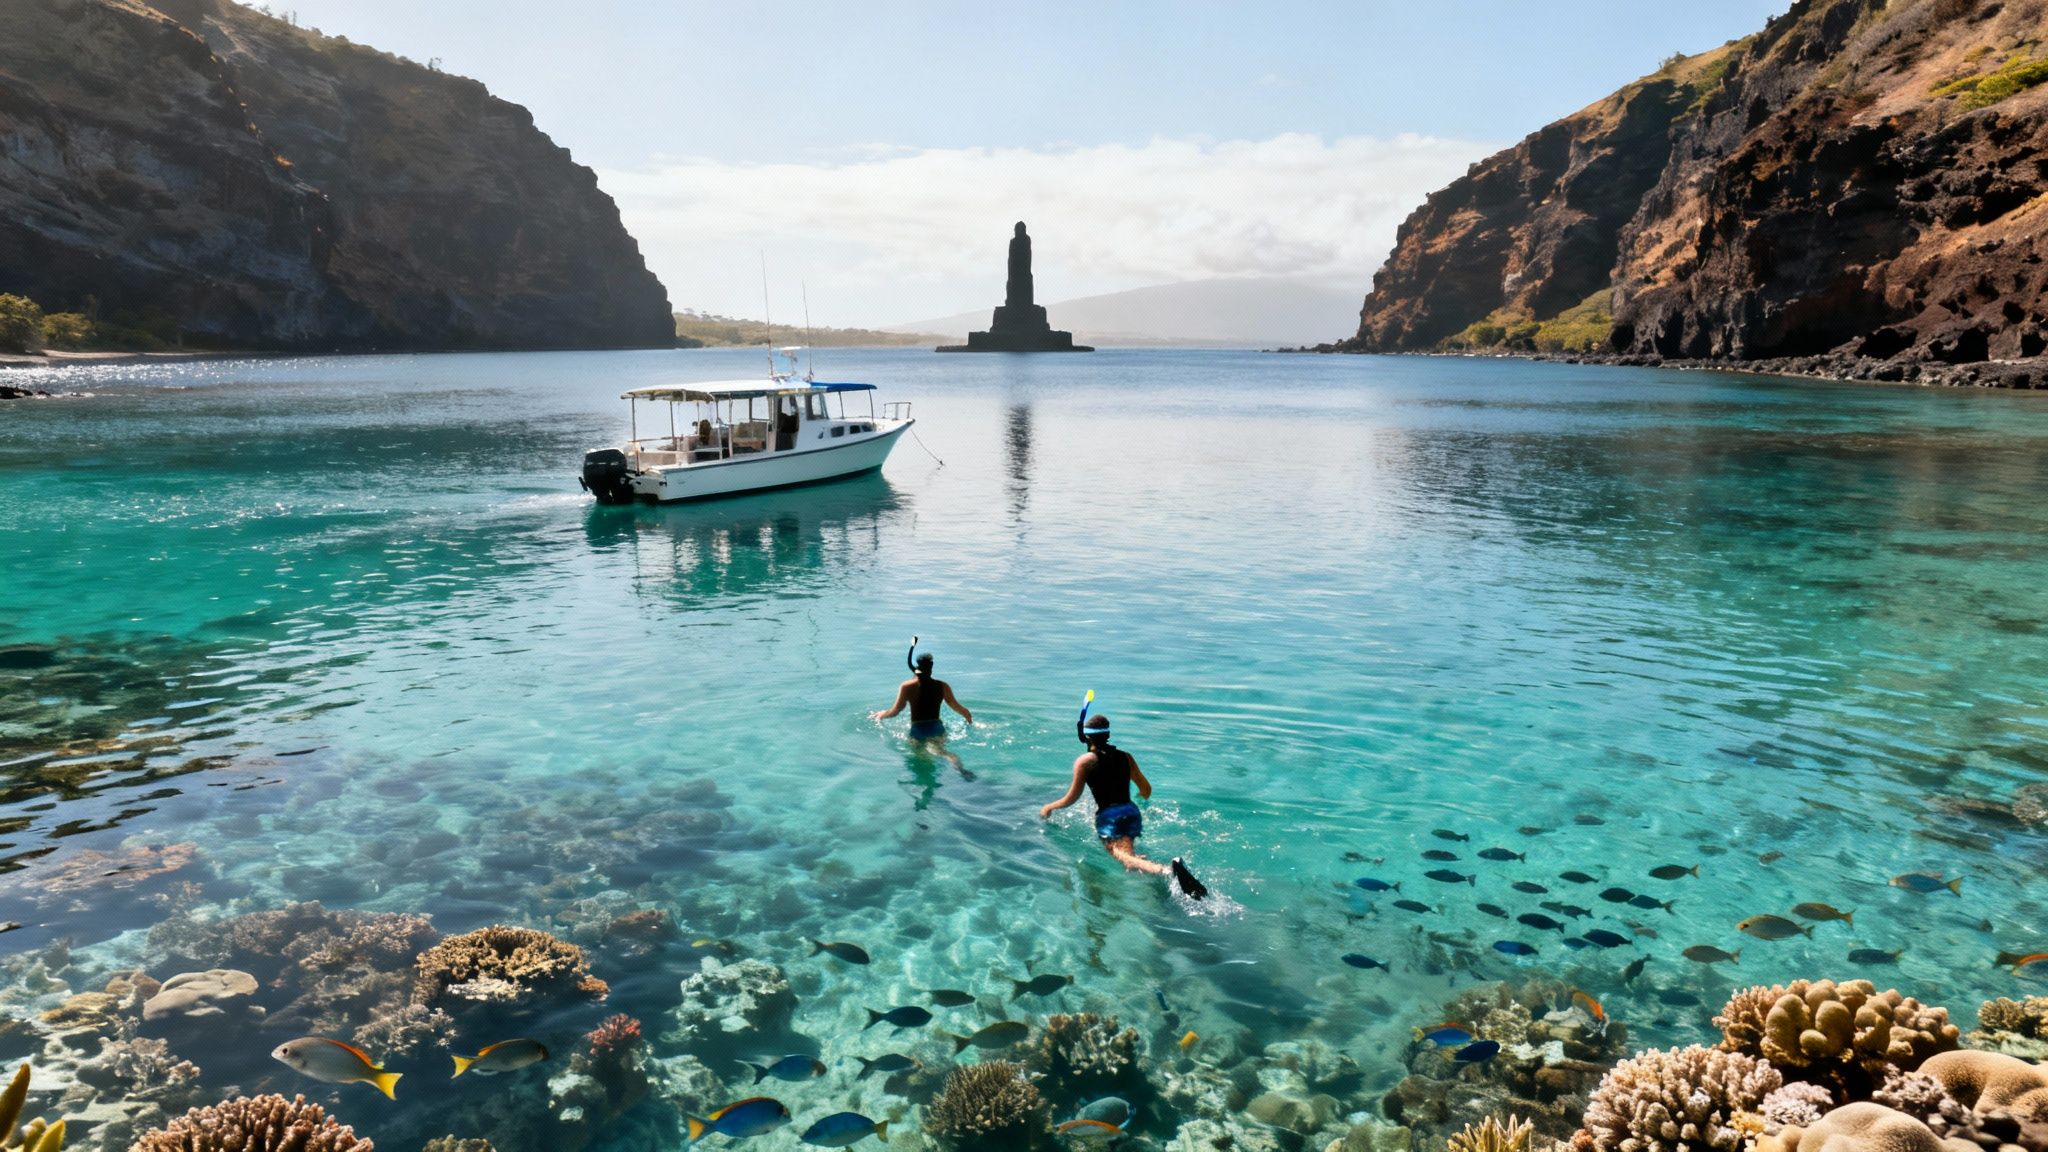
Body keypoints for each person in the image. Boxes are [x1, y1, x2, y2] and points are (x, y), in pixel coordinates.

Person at [1039, 711, 1208, 899]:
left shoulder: (1084, 761)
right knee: (1129, 853)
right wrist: (1143, 803)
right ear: (1108, 735)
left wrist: (1050, 807)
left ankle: (1167, 872)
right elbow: (1146, 789)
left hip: (1108, 817)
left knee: (1122, 856)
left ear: (1085, 737)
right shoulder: (1125, 757)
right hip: (1131, 812)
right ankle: (1155, 875)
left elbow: (1072, 798)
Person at [873, 648, 972, 775]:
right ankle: (959, 768)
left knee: (924, 761)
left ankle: (928, 783)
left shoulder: (907, 687)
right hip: (937, 728)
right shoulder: (942, 686)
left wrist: (882, 714)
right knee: (942, 752)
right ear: (931, 668)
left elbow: (895, 711)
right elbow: (959, 708)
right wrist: (968, 718)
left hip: (918, 731)